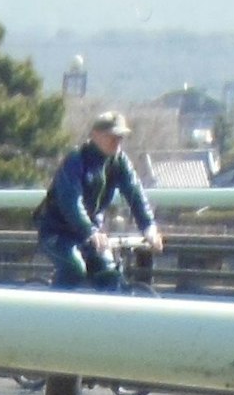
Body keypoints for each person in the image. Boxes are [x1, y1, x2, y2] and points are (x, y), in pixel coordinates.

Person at [37, 110, 160, 291]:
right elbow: (71, 201)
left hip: (91, 233)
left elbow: (134, 192)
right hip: (57, 232)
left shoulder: (119, 161)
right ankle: (54, 315)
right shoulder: (76, 159)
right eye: (112, 136)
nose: (117, 142)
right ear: (95, 135)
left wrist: (148, 227)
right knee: (74, 268)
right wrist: (90, 231)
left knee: (109, 273)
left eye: (121, 137)